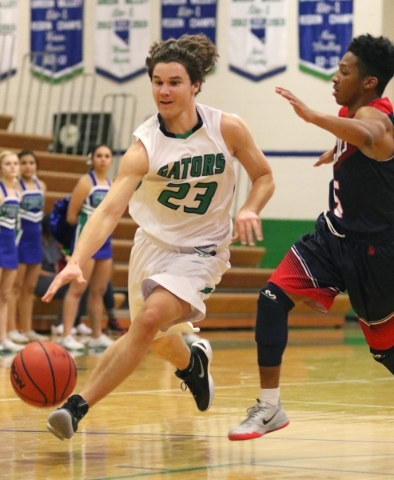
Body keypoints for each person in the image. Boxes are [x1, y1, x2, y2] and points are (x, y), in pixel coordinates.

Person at [43, 33, 274, 441]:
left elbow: (264, 176)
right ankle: (192, 363)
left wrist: (250, 208)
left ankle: (76, 407)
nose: (163, 90)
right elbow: (110, 210)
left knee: (147, 321)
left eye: (174, 82)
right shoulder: (144, 145)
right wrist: (77, 258)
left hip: (203, 251)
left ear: (196, 84)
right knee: (157, 340)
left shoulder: (227, 128)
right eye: (157, 81)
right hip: (151, 250)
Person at [228, 33, 394, 441]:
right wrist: (335, 152)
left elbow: (370, 136)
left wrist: (311, 115)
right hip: (331, 238)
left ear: (369, 82)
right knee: (271, 299)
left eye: (344, 71)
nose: (335, 77)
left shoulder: (377, 117)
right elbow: (357, 143)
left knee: (384, 351)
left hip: (373, 254)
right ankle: (269, 408)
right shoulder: (352, 114)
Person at [58, 145, 116, 350]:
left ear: (111, 160)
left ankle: (96, 334)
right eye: (98, 155)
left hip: (105, 242)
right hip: (86, 242)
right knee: (77, 289)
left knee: (99, 291)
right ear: (92, 159)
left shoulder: (112, 183)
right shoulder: (85, 181)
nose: (103, 159)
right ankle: (66, 334)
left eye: (107, 156)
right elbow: (71, 216)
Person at [7, 150, 48, 344]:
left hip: (35, 240)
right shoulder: (15, 186)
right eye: (23, 162)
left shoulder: (42, 185)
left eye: (31, 162)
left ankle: (26, 328)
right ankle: (10, 329)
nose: (27, 166)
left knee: (29, 288)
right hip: (20, 239)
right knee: (15, 287)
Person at [0, 151, 24, 352]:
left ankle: (3, 338)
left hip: (11, 246)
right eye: (8, 163)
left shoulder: (17, 192)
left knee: (5, 295)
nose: (13, 167)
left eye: (15, 163)